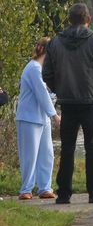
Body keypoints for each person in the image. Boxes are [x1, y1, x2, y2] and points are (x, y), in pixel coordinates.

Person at [43, 3, 93, 204]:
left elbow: (46, 73)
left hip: (67, 102)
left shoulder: (55, 43)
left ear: (69, 20)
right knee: (92, 148)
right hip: (90, 101)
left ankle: (64, 194)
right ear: (88, 20)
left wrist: (61, 89)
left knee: (67, 148)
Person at [16, 37, 61, 200]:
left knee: (47, 154)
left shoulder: (43, 70)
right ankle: (26, 189)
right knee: (30, 155)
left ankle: (44, 188)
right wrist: (55, 115)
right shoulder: (34, 67)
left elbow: (49, 94)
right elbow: (42, 94)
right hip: (29, 118)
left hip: (42, 119)